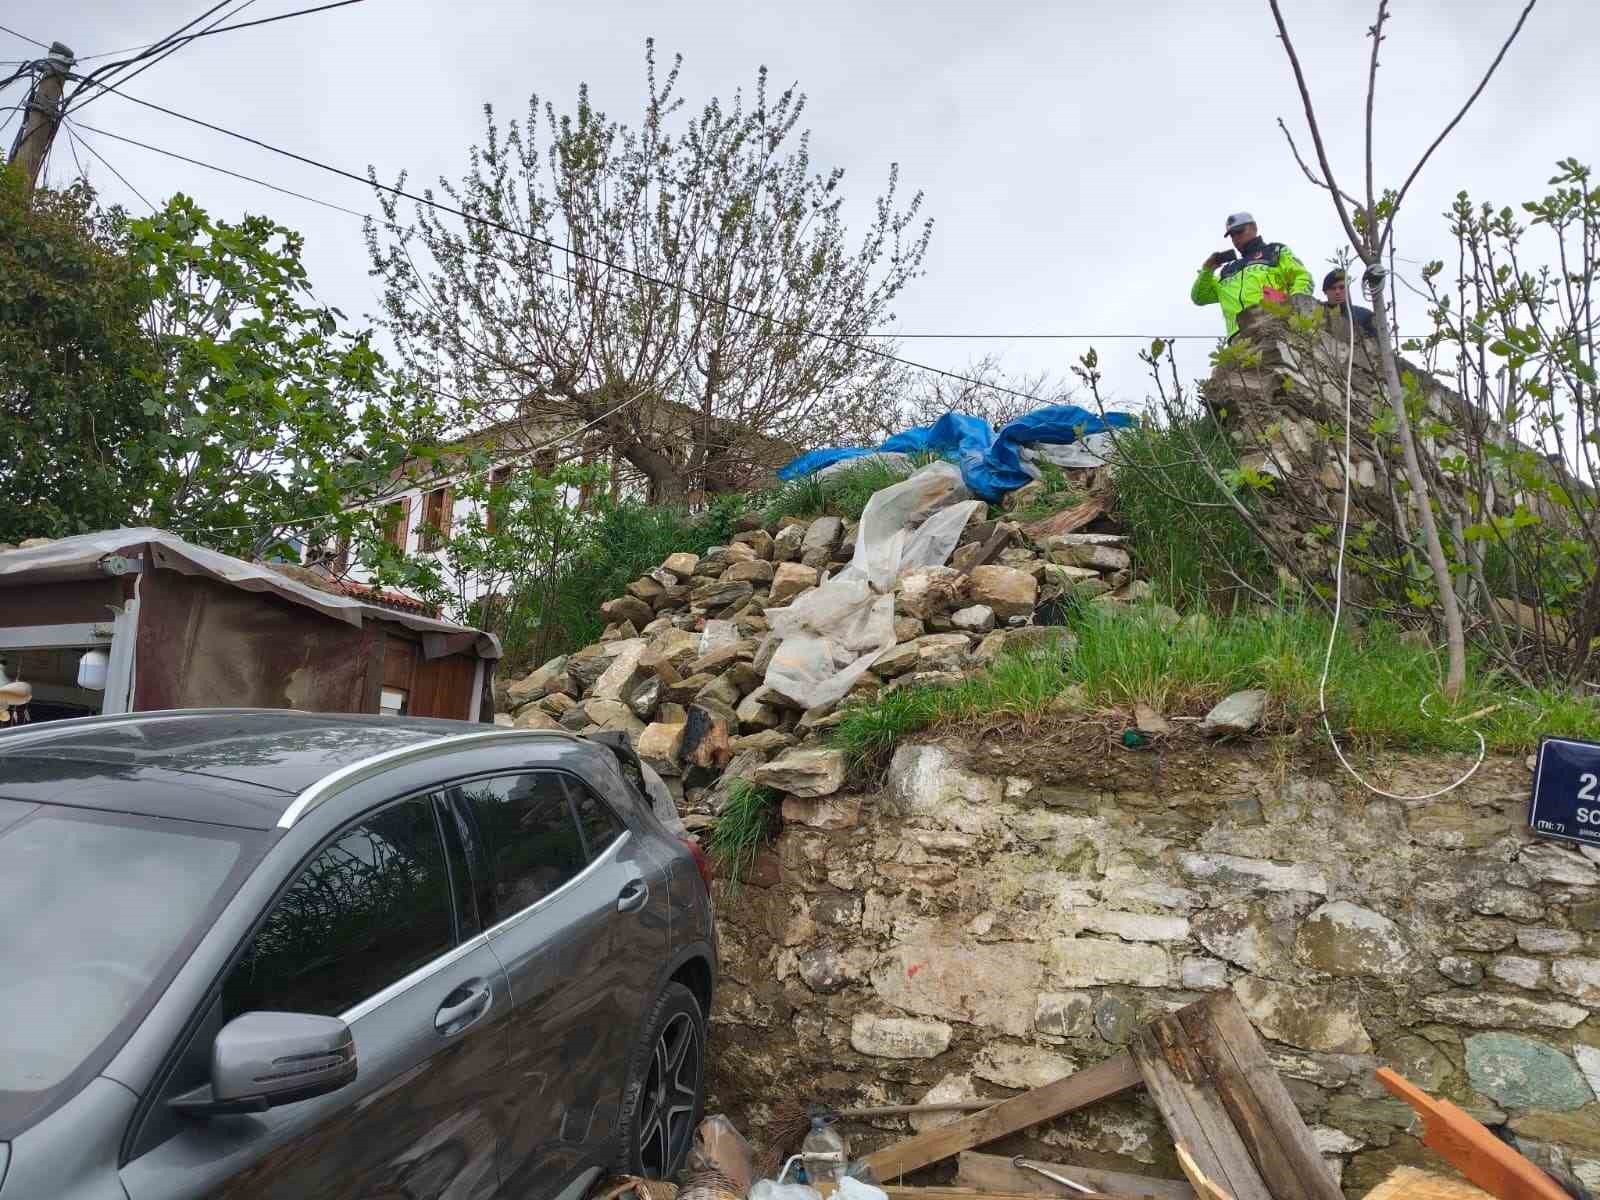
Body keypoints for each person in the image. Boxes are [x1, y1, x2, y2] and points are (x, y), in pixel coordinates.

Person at [1191, 211, 1314, 338]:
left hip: (1274, 326)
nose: (1236, 238)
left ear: (1254, 228)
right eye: (1232, 235)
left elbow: (1303, 277)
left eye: (1239, 232)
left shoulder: (1275, 251)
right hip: (1238, 339)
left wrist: (1293, 307)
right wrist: (1207, 270)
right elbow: (1199, 297)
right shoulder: (1227, 270)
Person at [1322, 269, 1377, 338]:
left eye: (1342, 287)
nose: (1337, 292)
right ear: (1325, 292)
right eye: (1333, 288)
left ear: (1348, 289)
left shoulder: (1365, 316)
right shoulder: (1316, 312)